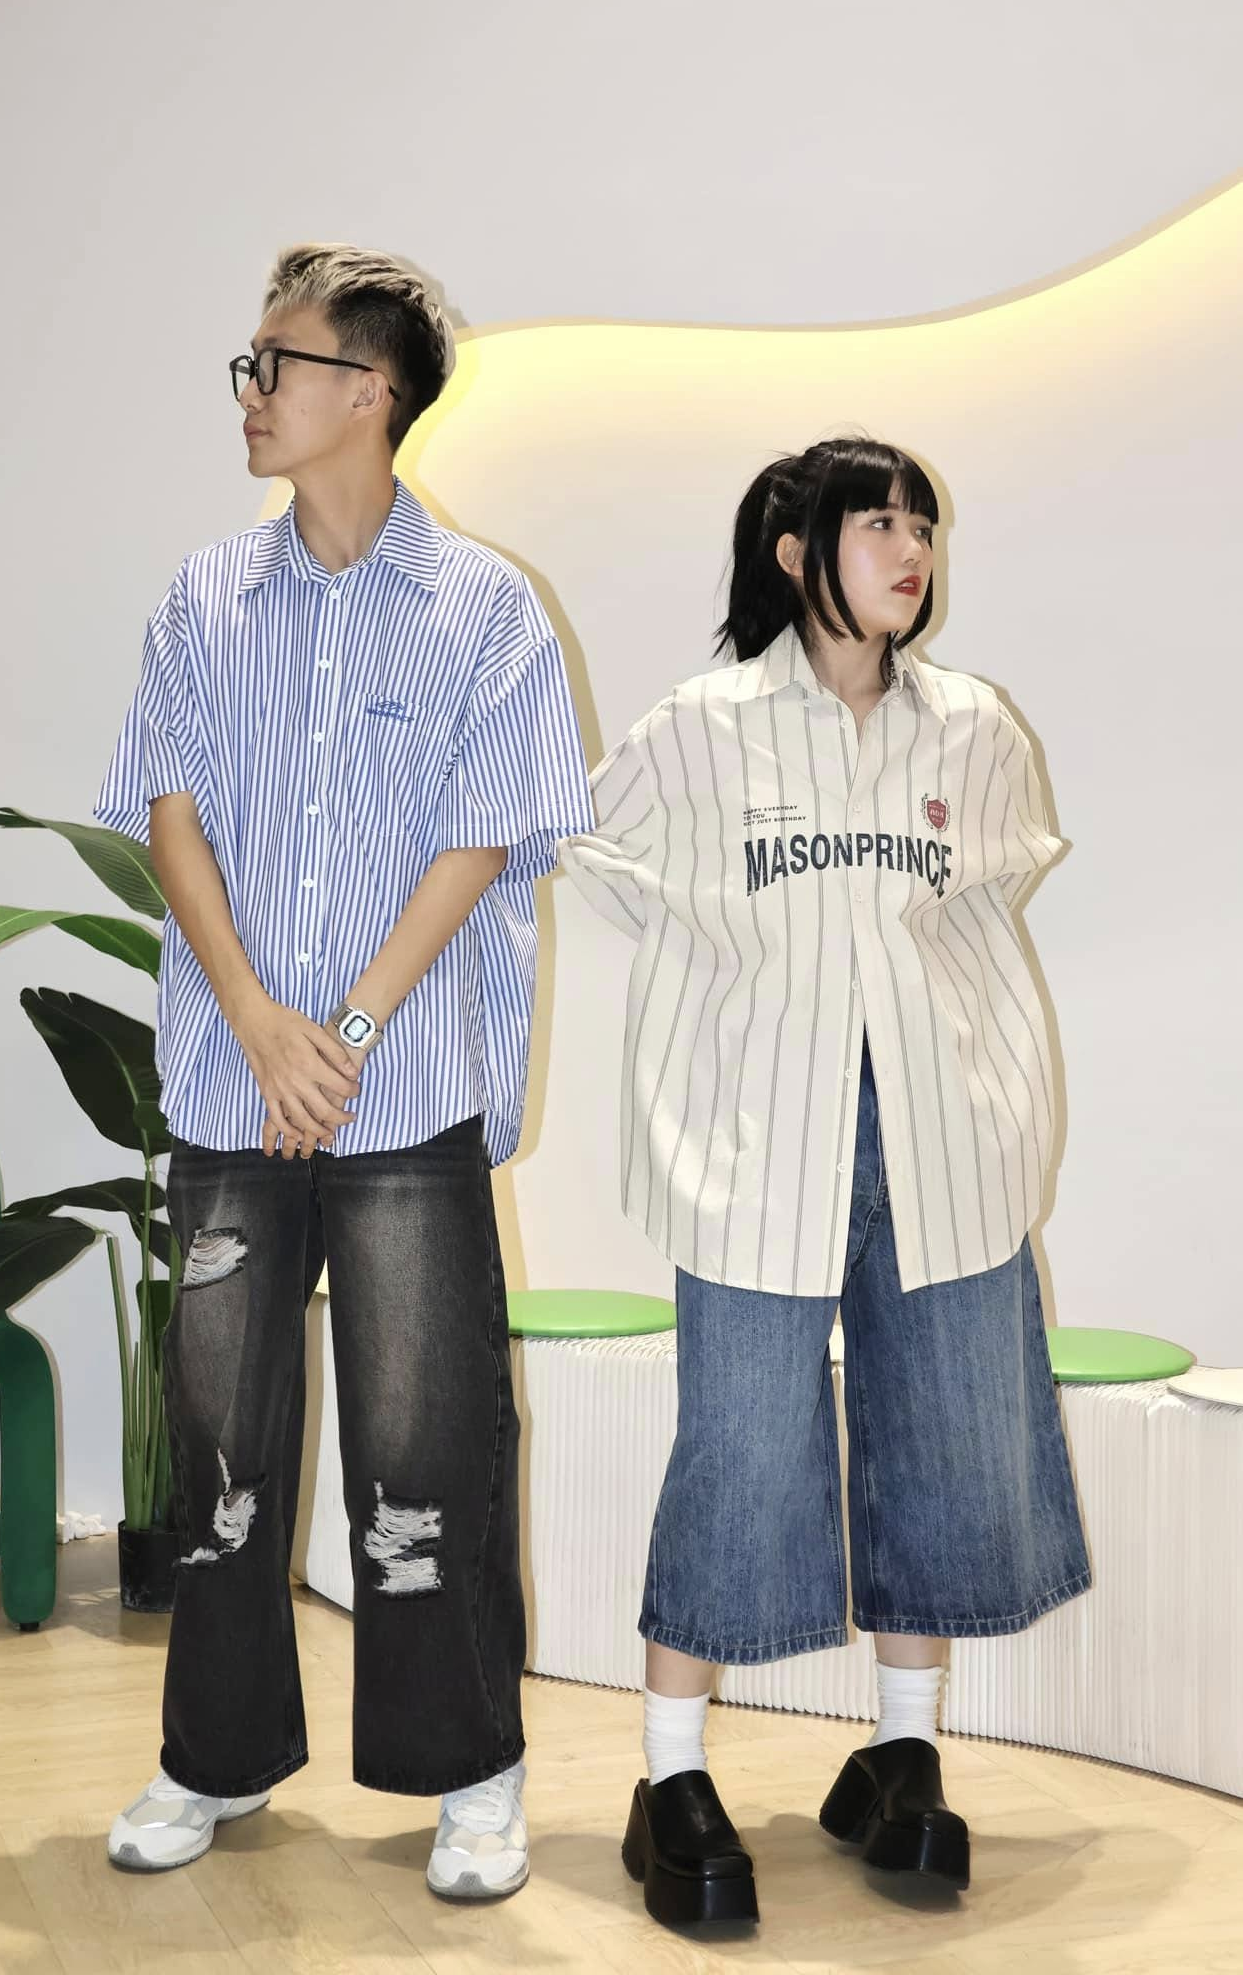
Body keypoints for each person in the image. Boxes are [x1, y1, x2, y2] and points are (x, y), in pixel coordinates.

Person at [94, 244, 591, 1897]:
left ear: (368, 392)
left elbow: (479, 840)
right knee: (221, 1446)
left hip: (407, 1082)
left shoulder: (485, 607)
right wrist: (254, 1017)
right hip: (233, 1082)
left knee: (427, 1442)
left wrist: (349, 1033)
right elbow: (170, 810)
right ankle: (214, 1756)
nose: (248, 391)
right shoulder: (201, 597)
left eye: (275, 362)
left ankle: (472, 1773)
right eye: (248, 363)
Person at [558, 437, 1091, 1927]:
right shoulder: (700, 728)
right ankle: (670, 1777)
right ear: (797, 553)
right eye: (879, 523)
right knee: (736, 1457)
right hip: (757, 1153)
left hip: (942, 1146)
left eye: (924, 524)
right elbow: (602, 865)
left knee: (945, 1450)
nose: (912, 550)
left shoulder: (972, 729)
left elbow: (985, 905)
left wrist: (982, 1089)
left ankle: (903, 1759)